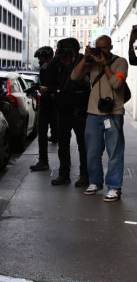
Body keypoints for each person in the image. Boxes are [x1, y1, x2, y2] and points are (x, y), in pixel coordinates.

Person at [72, 35, 128, 202]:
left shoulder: (121, 62)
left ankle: (114, 187)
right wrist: (86, 58)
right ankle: (95, 182)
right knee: (92, 152)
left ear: (110, 47)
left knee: (115, 153)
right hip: (93, 113)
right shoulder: (92, 63)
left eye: (104, 48)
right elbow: (75, 77)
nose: (101, 51)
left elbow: (117, 84)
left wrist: (105, 65)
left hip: (113, 114)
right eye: (98, 47)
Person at [50, 37, 88, 187]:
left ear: (73, 49)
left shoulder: (82, 61)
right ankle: (63, 174)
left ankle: (84, 175)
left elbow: (79, 79)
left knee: (83, 144)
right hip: (63, 109)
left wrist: (71, 62)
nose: (63, 53)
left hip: (79, 108)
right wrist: (57, 56)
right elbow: (50, 73)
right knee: (63, 144)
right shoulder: (59, 62)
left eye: (65, 49)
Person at [30, 46, 57, 171]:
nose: (39, 62)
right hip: (46, 102)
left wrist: (47, 89)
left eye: (41, 59)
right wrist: (35, 87)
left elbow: (58, 86)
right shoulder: (45, 68)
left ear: (48, 58)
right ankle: (43, 160)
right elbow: (44, 83)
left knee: (45, 132)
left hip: (52, 104)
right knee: (42, 132)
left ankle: (44, 161)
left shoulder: (54, 68)